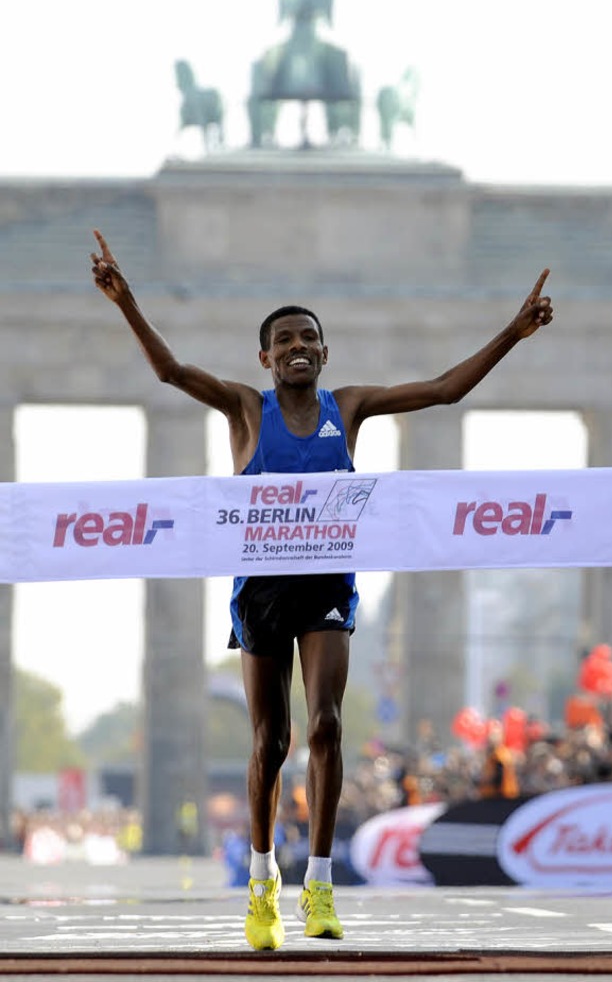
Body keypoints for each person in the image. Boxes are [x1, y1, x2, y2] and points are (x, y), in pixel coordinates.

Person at [90, 228, 553, 950]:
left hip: (327, 584)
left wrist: (514, 333)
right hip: (262, 591)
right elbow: (172, 372)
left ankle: (322, 882)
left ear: (324, 353)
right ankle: (261, 880)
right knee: (269, 741)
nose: (297, 345)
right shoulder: (247, 408)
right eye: (284, 338)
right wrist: (126, 302)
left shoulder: (351, 404)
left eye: (309, 336)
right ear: (265, 356)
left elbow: (443, 390)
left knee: (325, 725)